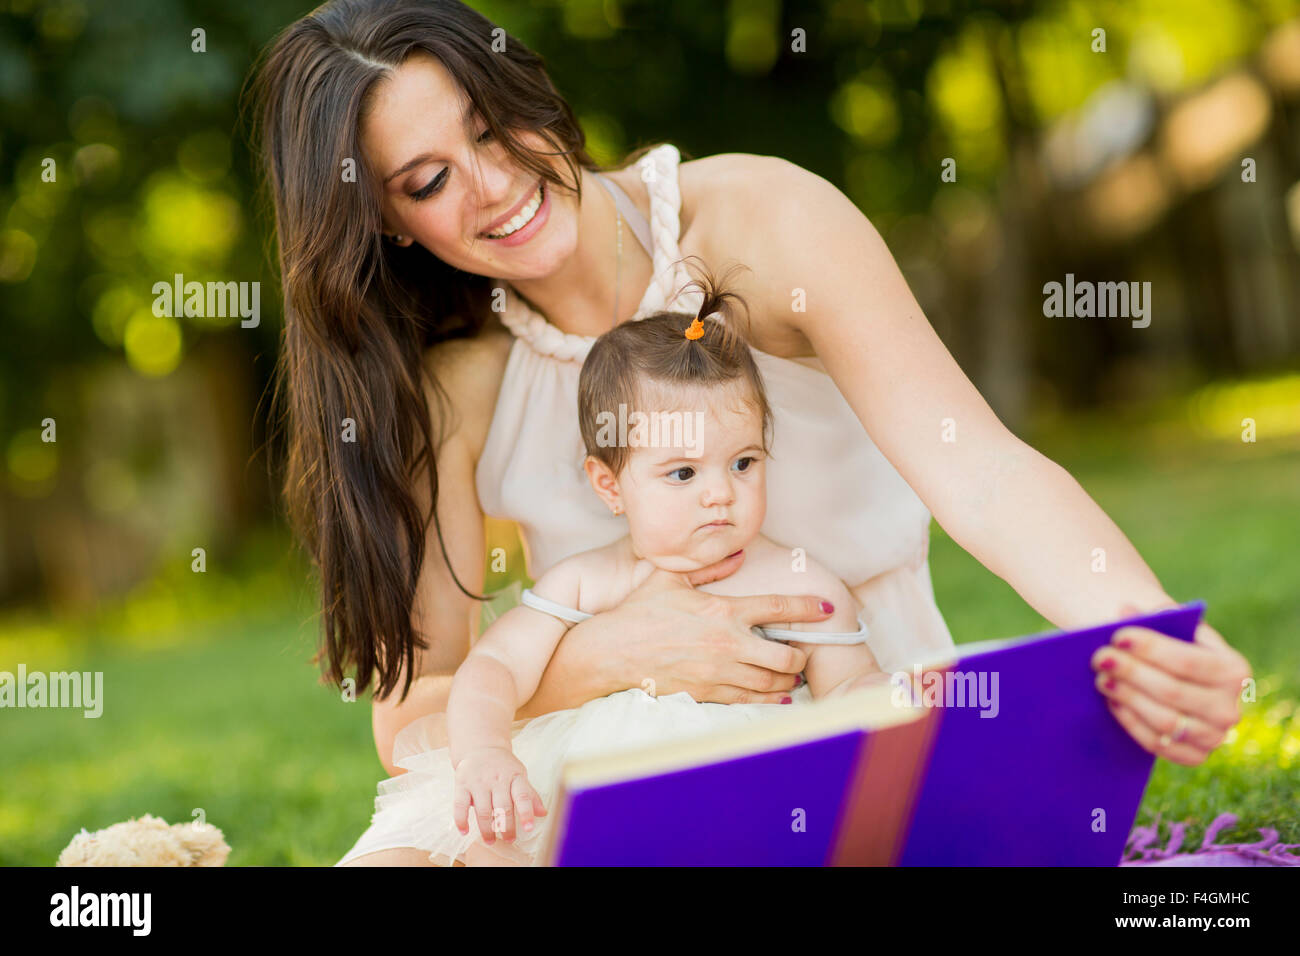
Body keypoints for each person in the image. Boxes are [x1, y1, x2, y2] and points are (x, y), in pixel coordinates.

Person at [246, 0, 1252, 867]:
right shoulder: (453, 383)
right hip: (596, 753)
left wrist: (1152, 623)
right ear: (382, 221)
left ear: (527, 86)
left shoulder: (757, 222)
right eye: (427, 180)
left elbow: (977, 469)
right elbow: (416, 709)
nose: (494, 182)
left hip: (840, 714)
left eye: (490, 124)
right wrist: (608, 652)